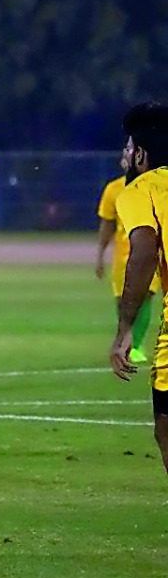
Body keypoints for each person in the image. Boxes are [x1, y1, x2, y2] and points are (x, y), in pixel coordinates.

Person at [109, 101, 168, 473]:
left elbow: (144, 251)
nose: (125, 154)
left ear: (141, 154)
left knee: (166, 426)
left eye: (128, 147)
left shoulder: (139, 189)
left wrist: (125, 328)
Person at [96, 154, 158, 364]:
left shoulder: (156, 187)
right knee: (123, 300)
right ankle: (126, 340)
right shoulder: (114, 189)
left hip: (152, 253)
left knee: (146, 295)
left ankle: (137, 345)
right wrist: (99, 255)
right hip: (123, 257)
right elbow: (107, 224)